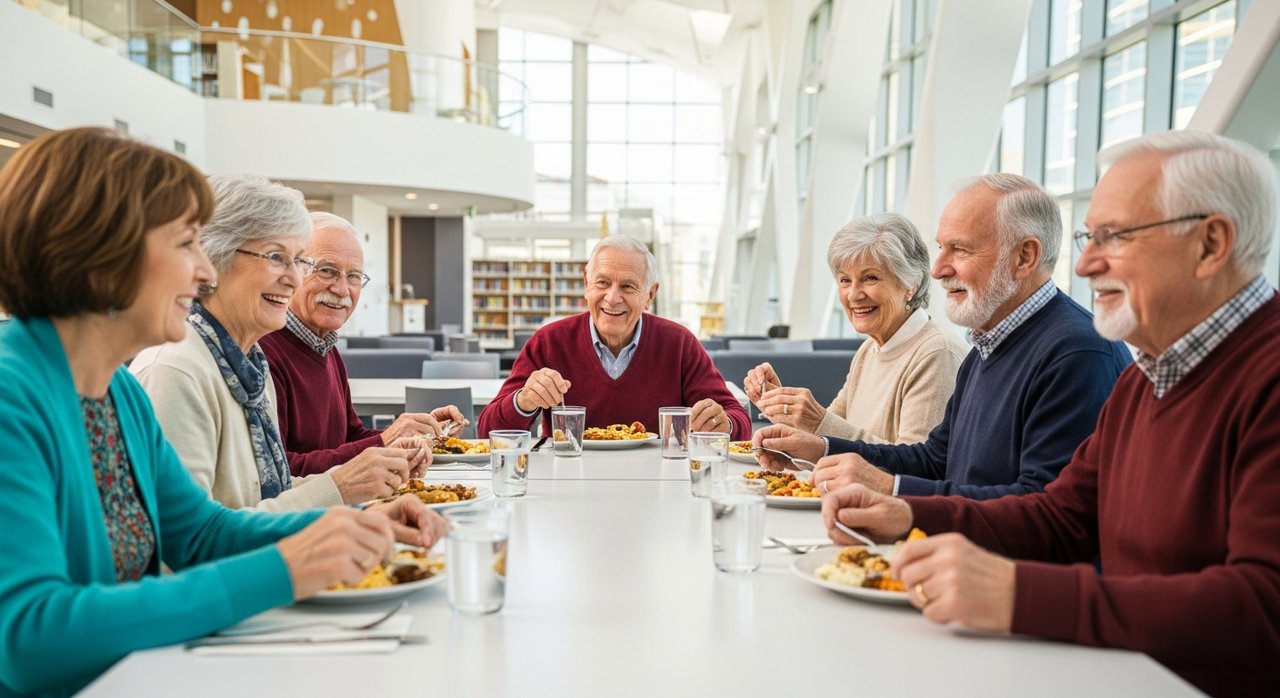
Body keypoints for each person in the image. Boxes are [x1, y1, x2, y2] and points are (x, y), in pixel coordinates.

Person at [823, 131, 1280, 696]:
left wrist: (1018, 594)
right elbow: (1062, 517)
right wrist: (905, 511)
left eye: (1114, 237)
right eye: (1090, 237)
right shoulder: (1150, 374)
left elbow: (1263, 607)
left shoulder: (1259, 377)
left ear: (1211, 245)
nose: (1085, 264)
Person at [0, 128, 446, 697]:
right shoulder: (12, 395)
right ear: (99, 254)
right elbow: (29, 639)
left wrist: (343, 525)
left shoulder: (118, 392)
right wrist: (284, 568)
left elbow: (201, 532)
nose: (204, 271)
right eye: (186, 244)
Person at [756, 174, 1131, 499]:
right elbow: (935, 460)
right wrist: (821, 449)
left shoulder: (1077, 353)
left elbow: (1044, 507)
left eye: (960, 249)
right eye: (941, 248)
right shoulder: (987, 346)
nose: (936, 270)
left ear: (1024, 257)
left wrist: (889, 489)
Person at [131, 175, 428, 511]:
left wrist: (358, 488)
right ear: (213, 259)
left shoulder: (249, 363)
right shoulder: (176, 372)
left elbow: (267, 490)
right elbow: (190, 534)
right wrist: (342, 487)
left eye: (298, 261)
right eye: (276, 257)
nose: (293, 278)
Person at [477, 235, 750, 438]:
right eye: (603, 282)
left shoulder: (679, 344)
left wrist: (722, 424)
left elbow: (738, 419)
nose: (612, 297)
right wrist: (523, 401)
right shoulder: (549, 342)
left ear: (650, 295)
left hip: (657, 483)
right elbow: (487, 429)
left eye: (628, 286)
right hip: (567, 482)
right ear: (586, 284)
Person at [259, 212, 465, 477]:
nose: (343, 289)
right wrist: (386, 439)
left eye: (354, 276)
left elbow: (350, 437)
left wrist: (413, 431)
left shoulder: (327, 348)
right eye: (327, 270)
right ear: (293, 271)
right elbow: (279, 472)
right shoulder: (263, 352)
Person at [745, 213, 967, 444]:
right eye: (845, 280)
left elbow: (916, 461)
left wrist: (816, 420)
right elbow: (826, 438)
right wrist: (782, 406)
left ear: (911, 284)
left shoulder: (937, 354)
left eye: (870, 278)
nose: (853, 295)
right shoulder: (869, 349)